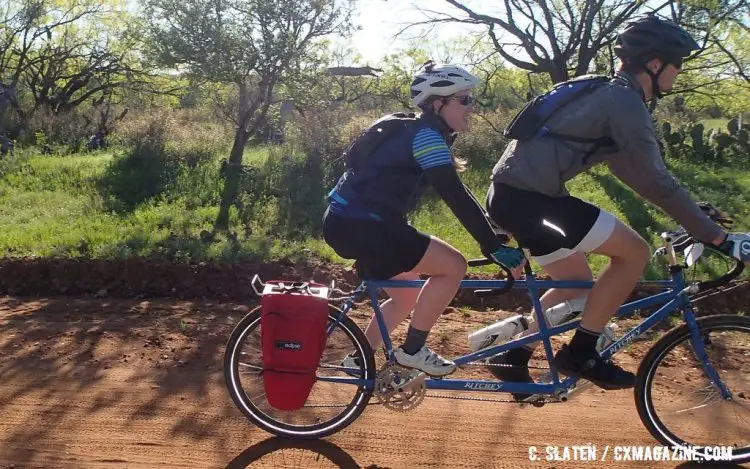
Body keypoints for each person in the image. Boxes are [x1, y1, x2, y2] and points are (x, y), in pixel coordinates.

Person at [483, 15, 750, 395]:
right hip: (530, 200)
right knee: (634, 254)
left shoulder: (605, 92)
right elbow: (655, 181)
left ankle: (512, 355)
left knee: (576, 282)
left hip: (516, 196)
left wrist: (692, 215)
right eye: (678, 64)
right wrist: (717, 237)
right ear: (655, 64)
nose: (679, 73)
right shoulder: (624, 101)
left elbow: (638, 174)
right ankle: (582, 351)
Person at [322, 60, 525, 377]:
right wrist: (491, 245)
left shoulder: (421, 133)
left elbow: (458, 193)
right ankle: (413, 351)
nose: (471, 108)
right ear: (438, 102)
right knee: (453, 266)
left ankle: (359, 359)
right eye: (465, 99)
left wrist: (491, 232)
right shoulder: (426, 136)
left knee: (405, 296)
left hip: (354, 223)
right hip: (366, 226)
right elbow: (454, 195)